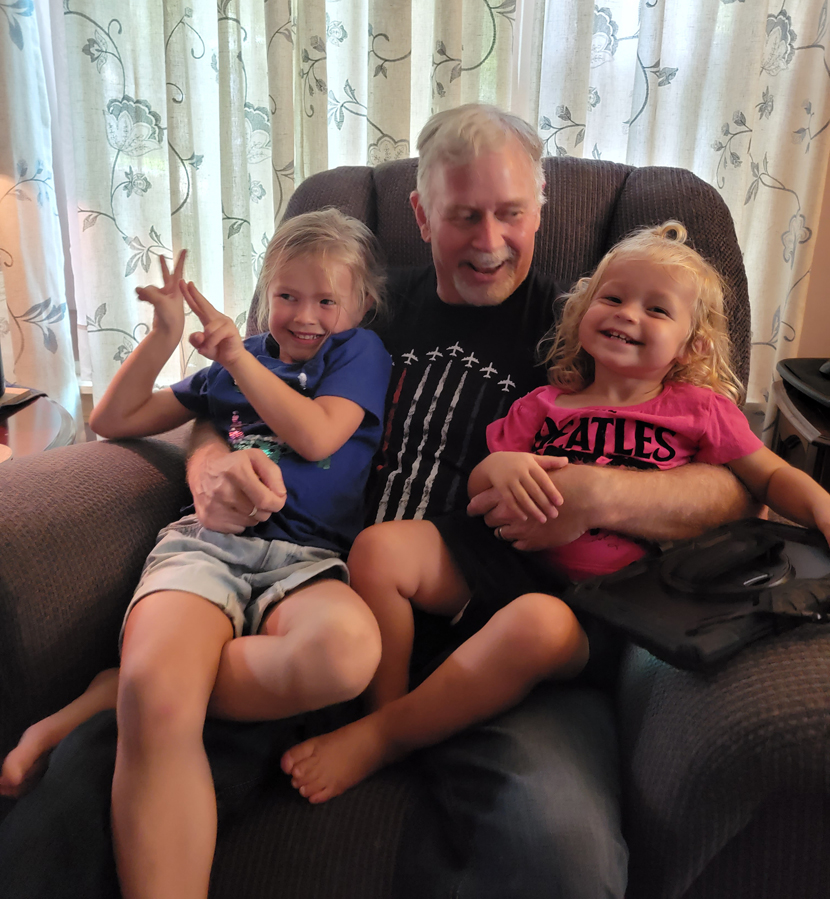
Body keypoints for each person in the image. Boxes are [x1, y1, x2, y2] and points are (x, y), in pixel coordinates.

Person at [0, 104, 753, 899]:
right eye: (464, 216)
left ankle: (128, 685)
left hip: (490, 647)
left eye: (511, 213)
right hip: (308, 595)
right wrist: (213, 466)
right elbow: (239, 396)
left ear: (542, 211)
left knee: (561, 846)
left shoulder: (588, 327)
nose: (491, 241)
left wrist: (604, 490)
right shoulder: (353, 304)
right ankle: (131, 690)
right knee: (80, 798)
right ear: (421, 216)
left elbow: (734, 480)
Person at [278, 220, 830, 805]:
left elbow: (767, 477)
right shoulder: (545, 402)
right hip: (508, 562)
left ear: (693, 345)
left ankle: (387, 737)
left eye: (656, 310)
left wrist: (821, 505)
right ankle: (385, 711)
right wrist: (502, 469)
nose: (628, 315)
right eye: (613, 298)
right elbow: (483, 477)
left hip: (609, 604)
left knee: (535, 623)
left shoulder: (701, 410)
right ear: (583, 311)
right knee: (379, 548)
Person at [1, 208, 391, 899]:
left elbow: (318, 436)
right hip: (206, 547)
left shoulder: (357, 353)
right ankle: (144, 687)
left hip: (305, 560)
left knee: (347, 654)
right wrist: (163, 337)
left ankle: (122, 688)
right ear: (266, 293)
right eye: (287, 295)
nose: (305, 316)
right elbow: (112, 420)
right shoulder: (234, 364)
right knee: (157, 698)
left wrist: (237, 357)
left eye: (327, 300)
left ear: (361, 306)